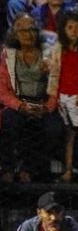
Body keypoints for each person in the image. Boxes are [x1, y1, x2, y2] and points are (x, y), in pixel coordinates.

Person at [0, 13, 62, 182]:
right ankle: (8, 168)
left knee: (53, 128)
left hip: (42, 103)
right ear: (15, 33)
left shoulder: (48, 55)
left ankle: (32, 168)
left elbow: (56, 85)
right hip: (17, 103)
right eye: (24, 30)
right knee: (8, 121)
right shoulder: (8, 55)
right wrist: (20, 106)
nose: (29, 34)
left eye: (33, 29)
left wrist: (46, 107)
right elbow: (2, 90)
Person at [46, 10, 78, 182]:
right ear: (63, 29)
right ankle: (68, 171)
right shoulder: (58, 49)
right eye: (70, 27)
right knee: (69, 135)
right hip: (62, 97)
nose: (74, 30)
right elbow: (54, 74)